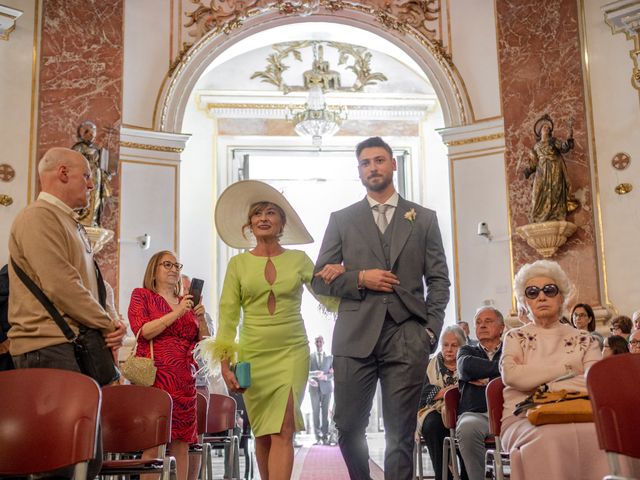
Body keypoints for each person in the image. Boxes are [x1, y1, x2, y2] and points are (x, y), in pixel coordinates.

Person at [312, 136, 450, 480]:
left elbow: (439, 281)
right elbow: (319, 281)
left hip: (407, 335)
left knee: (400, 433)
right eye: (365, 163)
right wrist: (360, 278)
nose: (372, 167)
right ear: (359, 171)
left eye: (378, 160)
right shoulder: (342, 219)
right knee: (346, 426)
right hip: (355, 335)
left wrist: (429, 330)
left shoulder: (424, 219)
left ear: (393, 164)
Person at [198, 180, 338, 480]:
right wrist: (224, 364)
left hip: (292, 352)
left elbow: (328, 298)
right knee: (262, 432)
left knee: (284, 427)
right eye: (258, 213)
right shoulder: (238, 264)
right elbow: (228, 317)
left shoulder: (299, 259)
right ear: (250, 224)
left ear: (282, 222)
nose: (263, 218)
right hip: (253, 354)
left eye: (271, 212)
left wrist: (339, 273)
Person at [7, 147, 126, 477]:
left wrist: (112, 322)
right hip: (48, 348)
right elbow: (63, 285)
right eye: (87, 176)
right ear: (63, 173)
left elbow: (92, 287)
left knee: (86, 457)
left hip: (74, 348)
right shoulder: (38, 218)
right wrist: (106, 324)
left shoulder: (70, 224)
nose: (92, 185)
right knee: (58, 463)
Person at [501, 259, 609, 479]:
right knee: (548, 438)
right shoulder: (514, 337)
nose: (541, 296)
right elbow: (512, 375)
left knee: (606, 436)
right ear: (525, 302)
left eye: (549, 290)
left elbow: (596, 382)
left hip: (580, 414)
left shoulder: (584, 339)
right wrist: (567, 369)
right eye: (532, 292)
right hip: (525, 417)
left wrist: (536, 380)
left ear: (562, 297)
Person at [128, 251, 210, 480]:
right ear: (154, 271)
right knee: (154, 440)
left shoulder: (187, 303)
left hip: (185, 380)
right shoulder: (142, 296)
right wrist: (177, 312)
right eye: (167, 264)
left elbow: (204, 343)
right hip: (156, 377)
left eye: (177, 265)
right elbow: (143, 331)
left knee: (182, 442)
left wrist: (201, 318)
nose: (174, 269)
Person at [456, 306, 504, 480]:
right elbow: (466, 367)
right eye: (478, 322)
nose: (482, 325)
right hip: (475, 414)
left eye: (488, 321)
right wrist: (502, 372)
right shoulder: (466, 351)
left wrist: (485, 377)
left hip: (508, 414)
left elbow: (522, 370)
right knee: (467, 428)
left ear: (502, 327)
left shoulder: (511, 348)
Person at [417, 325, 466, 480]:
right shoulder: (430, 365)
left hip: (463, 410)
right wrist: (447, 392)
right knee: (432, 425)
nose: (449, 349)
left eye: (454, 345)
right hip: (434, 410)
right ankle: (443, 476)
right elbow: (421, 393)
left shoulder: (468, 363)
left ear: (462, 346)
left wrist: (447, 393)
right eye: (445, 345)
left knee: (467, 427)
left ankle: (467, 474)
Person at [524, 114, 576, 223]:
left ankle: (556, 214)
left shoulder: (553, 141)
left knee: (555, 191)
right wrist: (528, 171)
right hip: (541, 170)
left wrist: (570, 132)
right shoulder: (536, 147)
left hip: (554, 168)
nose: (547, 129)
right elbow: (534, 162)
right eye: (544, 127)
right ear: (540, 131)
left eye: (548, 128)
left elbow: (564, 147)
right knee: (537, 192)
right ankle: (537, 216)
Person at [71, 120, 112, 227]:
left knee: (96, 198)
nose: (93, 137)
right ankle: (83, 219)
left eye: (94, 134)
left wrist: (106, 172)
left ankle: (93, 220)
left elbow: (102, 164)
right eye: (90, 134)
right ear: (84, 134)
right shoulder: (78, 147)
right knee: (86, 196)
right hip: (86, 176)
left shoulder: (96, 149)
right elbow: (73, 162)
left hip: (97, 177)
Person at [309, 334, 334, 445]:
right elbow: (306, 373)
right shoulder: (310, 357)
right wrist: (310, 380)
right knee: (315, 412)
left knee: (325, 412)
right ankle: (317, 436)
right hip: (314, 388)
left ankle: (325, 435)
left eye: (320, 341)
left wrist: (325, 377)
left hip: (326, 388)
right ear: (315, 343)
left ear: (323, 343)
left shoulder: (329, 358)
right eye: (317, 342)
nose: (318, 344)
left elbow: (333, 374)